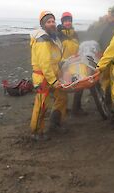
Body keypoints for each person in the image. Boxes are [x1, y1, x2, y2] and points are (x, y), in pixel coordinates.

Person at [30, 11, 68, 140]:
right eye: (48, 22)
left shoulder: (53, 39)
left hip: (54, 75)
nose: (52, 24)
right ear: (43, 24)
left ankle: (55, 123)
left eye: (53, 21)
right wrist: (53, 81)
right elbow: (45, 64)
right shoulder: (42, 41)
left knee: (62, 98)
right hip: (43, 77)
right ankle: (36, 132)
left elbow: (57, 58)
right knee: (41, 105)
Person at [57, 12, 86, 116]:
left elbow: (79, 48)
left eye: (69, 20)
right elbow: (55, 52)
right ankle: (62, 110)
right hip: (63, 65)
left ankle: (76, 108)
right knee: (64, 89)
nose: (68, 23)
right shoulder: (58, 35)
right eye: (65, 21)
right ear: (62, 22)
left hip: (76, 64)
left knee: (80, 85)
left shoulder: (75, 34)